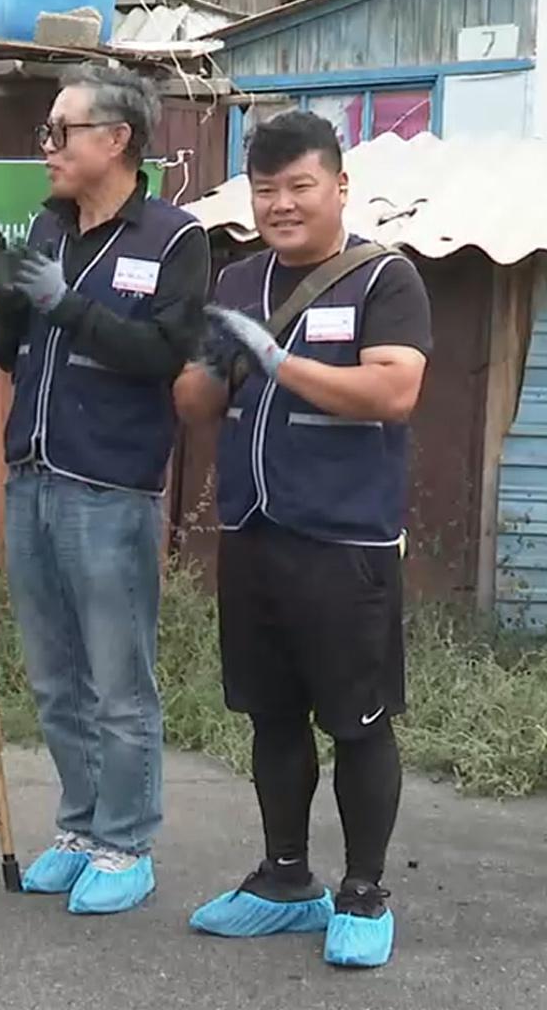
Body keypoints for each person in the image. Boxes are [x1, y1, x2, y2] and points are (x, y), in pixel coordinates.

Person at [173, 111, 430, 969]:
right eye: (265, 189)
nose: (281, 205)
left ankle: (362, 893)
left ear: (339, 188)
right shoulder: (241, 280)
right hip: (252, 533)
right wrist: (213, 365)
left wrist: (279, 363)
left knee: (357, 723)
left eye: (299, 187)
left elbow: (393, 391)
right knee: (272, 716)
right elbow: (194, 403)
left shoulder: (384, 280)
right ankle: (286, 880)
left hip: (345, 542)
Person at [0, 65, 210, 915]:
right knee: (54, 676)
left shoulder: (175, 238)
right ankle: (78, 826)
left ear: (117, 140)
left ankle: (127, 841)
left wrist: (66, 305)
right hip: (33, 473)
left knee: (118, 677)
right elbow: (9, 353)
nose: (48, 148)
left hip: (110, 485)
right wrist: (5, 292)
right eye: (47, 132)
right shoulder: (49, 225)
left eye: (61, 132)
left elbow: (162, 357)